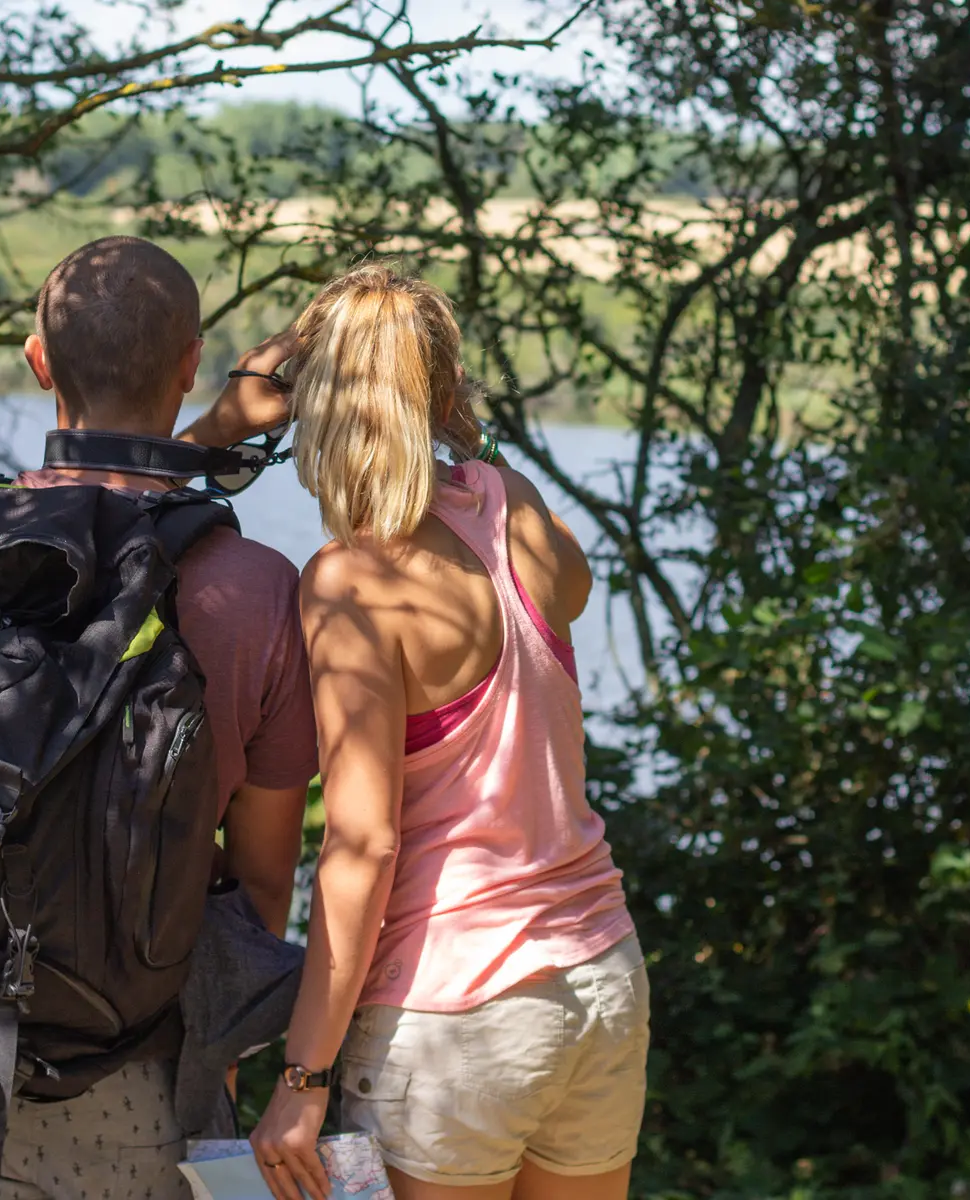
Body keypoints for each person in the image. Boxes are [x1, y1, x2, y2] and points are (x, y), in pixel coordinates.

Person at [0, 236, 318, 1200]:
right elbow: (265, 878)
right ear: (192, 364)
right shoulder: (252, 589)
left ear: (38, 363)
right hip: (132, 1071)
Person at [245, 265, 650, 1200]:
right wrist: (462, 432)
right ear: (442, 389)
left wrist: (303, 1079)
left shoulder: (352, 582)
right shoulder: (512, 506)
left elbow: (363, 843)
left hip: (456, 1011)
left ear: (316, 405)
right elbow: (576, 592)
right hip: (600, 976)